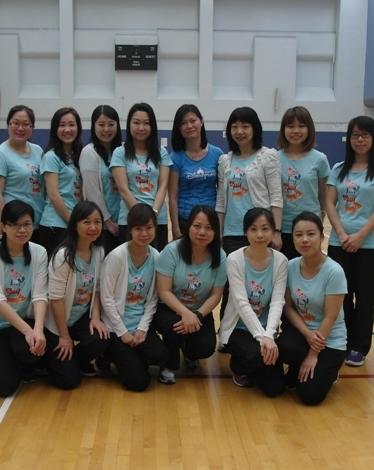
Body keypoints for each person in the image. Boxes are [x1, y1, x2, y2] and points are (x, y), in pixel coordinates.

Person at [324, 116, 374, 367]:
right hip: (339, 243)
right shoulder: (338, 168)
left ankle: (359, 346)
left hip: (369, 246)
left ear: (373, 138)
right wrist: (342, 234)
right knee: (341, 296)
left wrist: (360, 235)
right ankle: (341, 341)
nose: (360, 140)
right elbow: (329, 203)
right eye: (355, 135)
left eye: (365, 135)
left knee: (364, 298)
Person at [0, 200, 49, 397]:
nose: (22, 230)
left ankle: (20, 359)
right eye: (15, 224)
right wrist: (29, 332)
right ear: (3, 226)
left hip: (24, 322)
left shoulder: (39, 252)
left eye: (27, 224)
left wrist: (38, 330)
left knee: (36, 349)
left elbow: (40, 295)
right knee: (5, 387)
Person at [216, 107, 282, 315]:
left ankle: (264, 327)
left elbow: (276, 196)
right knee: (231, 287)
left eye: (245, 126)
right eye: (234, 127)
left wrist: (276, 231)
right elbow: (221, 200)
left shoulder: (268, 156)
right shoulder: (225, 161)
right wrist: (219, 232)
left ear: (255, 129)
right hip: (232, 233)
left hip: (260, 232)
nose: (239, 131)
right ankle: (227, 330)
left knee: (259, 285)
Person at [277, 212, 348, 405]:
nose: (305, 240)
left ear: (321, 237)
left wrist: (312, 355)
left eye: (311, 234)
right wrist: (306, 333)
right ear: (293, 239)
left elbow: (330, 318)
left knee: (310, 396)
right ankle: (298, 366)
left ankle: (328, 369)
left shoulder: (334, 271)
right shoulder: (290, 266)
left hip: (329, 338)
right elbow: (288, 307)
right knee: (285, 347)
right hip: (304, 334)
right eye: (299, 235)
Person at [218, 208, 288, 397]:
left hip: (266, 331)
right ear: (245, 232)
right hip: (238, 329)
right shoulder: (234, 259)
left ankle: (256, 367)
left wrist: (269, 335)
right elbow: (241, 303)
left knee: (274, 389)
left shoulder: (281, 261)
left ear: (273, 231)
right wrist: (262, 339)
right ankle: (238, 366)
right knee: (257, 355)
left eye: (265, 229)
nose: (259, 235)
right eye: (253, 229)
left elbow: (277, 302)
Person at [153, 205, 226, 384]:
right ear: (188, 227)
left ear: (215, 231)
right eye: (197, 226)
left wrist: (198, 315)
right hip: (169, 308)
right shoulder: (172, 251)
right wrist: (185, 313)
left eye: (209, 228)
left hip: (199, 310)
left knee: (205, 348)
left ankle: (189, 351)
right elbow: (164, 291)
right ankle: (168, 365)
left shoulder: (220, 256)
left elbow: (216, 295)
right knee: (175, 327)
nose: (202, 232)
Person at [101, 204, 168, 391]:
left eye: (149, 227)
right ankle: (107, 353)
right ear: (130, 229)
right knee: (139, 383)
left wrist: (142, 329)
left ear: (155, 228)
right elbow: (106, 298)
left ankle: (130, 357)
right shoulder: (116, 257)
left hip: (138, 325)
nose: (144, 233)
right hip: (116, 327)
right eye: (138, 228)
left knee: (160, 355)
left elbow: (153, 299)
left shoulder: (156, 257)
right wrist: (123, 332)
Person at [45, 201, 109, 389]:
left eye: (97, 222)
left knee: (102, 336)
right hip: (58, 322)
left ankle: (78, 361)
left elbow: (97, 288)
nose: (93, 227)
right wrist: (64, 336)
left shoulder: (98, 251)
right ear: (75, 224)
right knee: (68, 382)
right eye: (86, 222)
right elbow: (55, 300)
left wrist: (95, 317)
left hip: (80, 317)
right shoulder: (63, 256)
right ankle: (48, 358)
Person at [110, 103, 172, 251]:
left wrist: (153, 215)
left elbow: (163, 186)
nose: (141, 128)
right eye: (136, 122)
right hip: (130, 219)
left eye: (146, 123)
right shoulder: (120, 153)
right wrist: (140, 217)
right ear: (129, 124)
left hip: (157, 219)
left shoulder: (161, 152)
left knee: (156, 261)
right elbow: (123, 189)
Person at [277, 106, 330, 259]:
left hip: (310, 228)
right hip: (283, 228)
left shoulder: (319, 159)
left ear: (309, 129)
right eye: (290, 126)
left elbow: (324, 196)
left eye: (301, 126)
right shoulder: (274, 158)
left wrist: (320, 217)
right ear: (283, 129)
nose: (296, 131)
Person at [0, 105, 44, 245]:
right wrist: (2, 229)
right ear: (8, 125)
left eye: (26, 124)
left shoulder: (38, 150)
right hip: (13, 228)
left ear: (32, 127)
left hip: (35, 224)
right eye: (16, 123)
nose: (20, 128)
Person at [168, 104, 223, 240]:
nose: (189, 126)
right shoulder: (175, 158)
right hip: (185, 219)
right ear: (178, 128)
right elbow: (173, 196)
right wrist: (175, 228)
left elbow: (222, 192)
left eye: (193, 121)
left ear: (201, 122)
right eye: (183, 123)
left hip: (211, 218)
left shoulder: (217, 154)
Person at [40, 107, 84, 256]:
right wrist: (73, 223)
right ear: (55, 129)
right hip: (55, 224)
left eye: (71, 124)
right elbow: (53, 195)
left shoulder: (77, 155)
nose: (67, 129)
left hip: (73, 222)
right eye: (62, 125)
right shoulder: (51, 157)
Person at [80, 105, 122, 255]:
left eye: (111, 124)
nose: (106, 129)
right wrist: (108, 222)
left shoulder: (123, 150)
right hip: (103, 226)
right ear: (93, 126)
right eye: (101, 124)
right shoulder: (89, 152)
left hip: (124, 222)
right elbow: (92, 192)